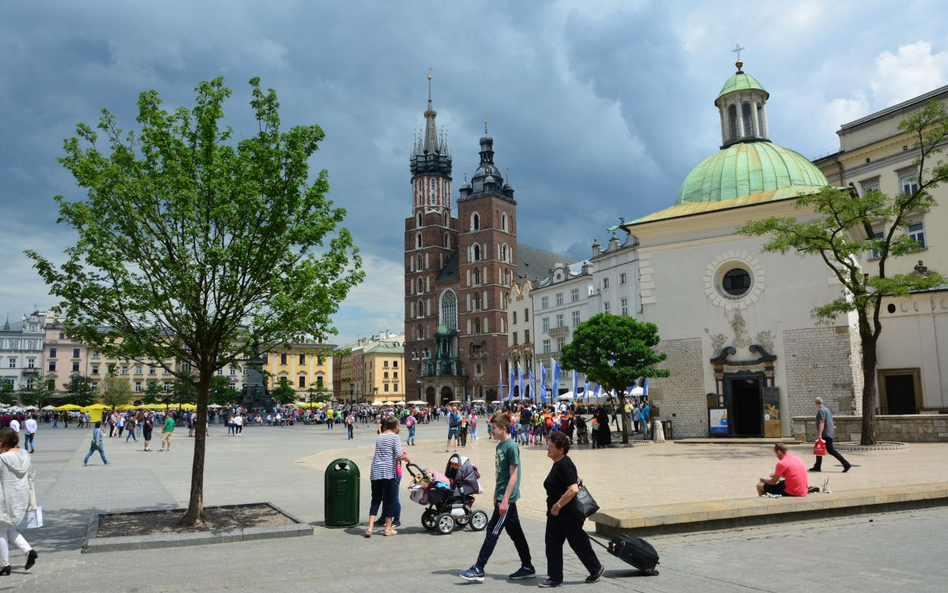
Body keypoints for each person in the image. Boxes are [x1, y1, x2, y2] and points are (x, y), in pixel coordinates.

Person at [458, 412, 535, 583]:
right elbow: (500, 474)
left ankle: (479, 568)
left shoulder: (511, 447)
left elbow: (513, 476)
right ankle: (528, 566)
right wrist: (495, 493)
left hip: (507, 498)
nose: (491, 431)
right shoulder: (499, 446)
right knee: (516, 534)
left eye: (493, 428)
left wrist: (505, 499)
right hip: (501, 495)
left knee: (492, 530)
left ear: (504, 428)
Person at [539, 431, 604, 587]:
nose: (547, 448)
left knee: (577, 541)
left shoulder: (565, 464)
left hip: (566, 512)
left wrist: (558, 505)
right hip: (557, 513)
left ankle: (595, 568)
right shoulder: (558, 463)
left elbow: (573, 489)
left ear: (560, 450)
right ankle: (555, 578)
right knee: (553, 543)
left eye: (550, 446)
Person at [0, 428, 38, 574]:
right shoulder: (25, 455)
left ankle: (4, 565)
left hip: (4, 499)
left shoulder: (2, 458)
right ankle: (29, 551)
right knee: (7, 528)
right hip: (20, 497)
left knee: (0, 531)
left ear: (3, 442)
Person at [365, 417, 408, 537]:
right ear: (396, 427)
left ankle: (370, 528)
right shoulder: (395, 437)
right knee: (389, 500)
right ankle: (388, 529)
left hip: (375, 471)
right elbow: (399, 455)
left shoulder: (379, 437)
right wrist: (407, 459)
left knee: (375, 500)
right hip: (389, 472)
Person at [810, 398, 851, 473]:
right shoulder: (827, 409)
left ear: (816, 403)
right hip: (829, 432)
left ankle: (846, 463)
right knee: (819, 447)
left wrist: (819, 434)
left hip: (825, 433)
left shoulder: (821, 411)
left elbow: (822, 422)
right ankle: (817, 466)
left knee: (831, 450)